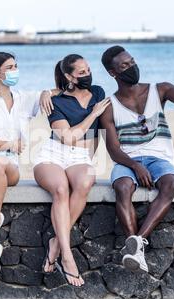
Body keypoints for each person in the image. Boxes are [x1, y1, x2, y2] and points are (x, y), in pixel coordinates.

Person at [99, 46, 174, 272]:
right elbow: (113, 150)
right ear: (112, 73)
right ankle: (136, 248)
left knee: (171, 183)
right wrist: (136, 166)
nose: (132, 67)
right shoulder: (109, 107)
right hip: (127, 161)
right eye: (124, 66)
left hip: (159, 158)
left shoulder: (160, 90)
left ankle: (136, 245)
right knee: (123, 186)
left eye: (132, 61)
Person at [0, 52, 58, 281]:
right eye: (9, 67)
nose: (15, 70)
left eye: (16, 65)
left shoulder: (23, 97)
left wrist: (46, 91)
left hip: (9, 165)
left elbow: (56, 92)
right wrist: (9, 143)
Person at [33, 54, 111, 287]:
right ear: (69, 76)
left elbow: (97, 136)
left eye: (88, 70)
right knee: (60, 189)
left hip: (80, 156)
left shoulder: (97, 92)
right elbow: (68, 138)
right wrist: (93, 114)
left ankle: (56, 243)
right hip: (53, 153)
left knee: (86, 181)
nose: (87, 75)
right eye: (81, 72)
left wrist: (90, 159)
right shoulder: (54, 103)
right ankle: (67, 257)